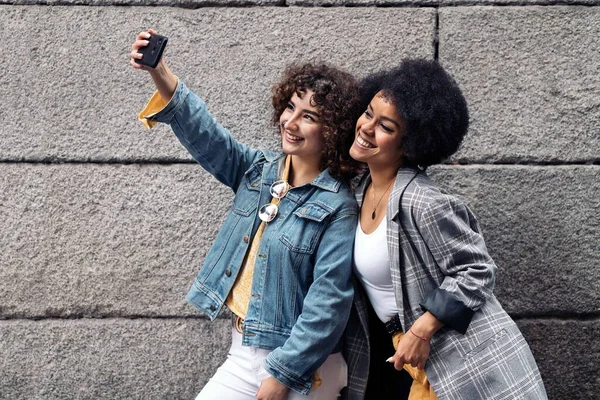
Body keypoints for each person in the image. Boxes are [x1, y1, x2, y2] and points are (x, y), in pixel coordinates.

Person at [130, 30, 362, 400]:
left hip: (303, 368)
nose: (291, 122)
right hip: (244, 348)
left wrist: (282, 374)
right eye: (290, 107)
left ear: (333, 131)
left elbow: (328, 305)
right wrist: (160, 71)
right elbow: (205, 134)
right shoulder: (259, 171)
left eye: (310, 116)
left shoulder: (339, 208)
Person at [343, 59, 547, 400]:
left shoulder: (423, 201)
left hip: (460, 357)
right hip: (402, 356)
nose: (366, 127)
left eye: (386, 127)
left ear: (409, 145)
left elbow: (476, 270)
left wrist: (422, 330)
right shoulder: (360, 190)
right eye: (368, 113)